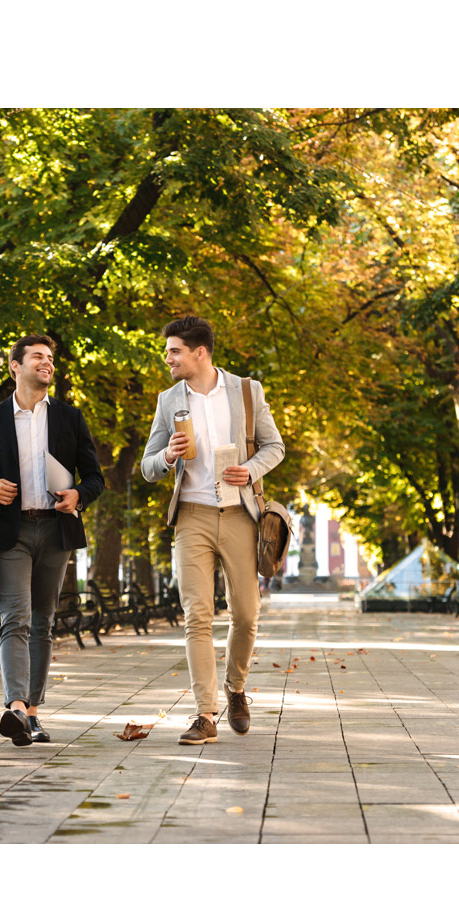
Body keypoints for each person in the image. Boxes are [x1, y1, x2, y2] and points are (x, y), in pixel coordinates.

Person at [140, 316, 285, 744]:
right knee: (197, 615)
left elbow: (276, 446)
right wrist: (167, 455)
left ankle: (235, 688)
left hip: (240, 515)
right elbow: (148, 467)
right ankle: (205, 714)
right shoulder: (169, 400)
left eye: (174, 351)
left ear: (199, 352)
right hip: (192, 516)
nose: (167, 358)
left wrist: (250, 469)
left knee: (246, 613)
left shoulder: (246, 390)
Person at [0, 335, 105, 747]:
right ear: (15, 367)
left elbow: (94, 477)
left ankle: (34, 715)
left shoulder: (68, 417)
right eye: (38, 357)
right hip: (12, 533)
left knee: (43, 622)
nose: (47, 364)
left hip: (56, 531)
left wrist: (79, 494)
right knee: (16, 618)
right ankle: (17, 707)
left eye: (50, 358)